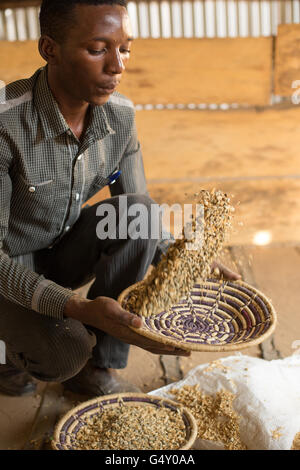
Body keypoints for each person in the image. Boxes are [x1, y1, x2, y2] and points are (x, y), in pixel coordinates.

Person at [0, 0, 240, 397]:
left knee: (141, 215)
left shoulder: (120, 117)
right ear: (50, 49)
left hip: (59, 252)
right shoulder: (6, 125)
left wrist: (183, 257)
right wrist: (75, 308)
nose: (118, 66)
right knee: (62, 352)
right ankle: (15, 357)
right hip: (8, 265)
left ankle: (98, 366)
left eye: (124, 48)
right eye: (98, 49)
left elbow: (138, 213)